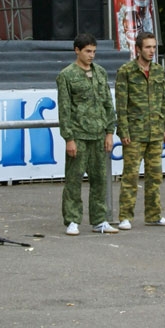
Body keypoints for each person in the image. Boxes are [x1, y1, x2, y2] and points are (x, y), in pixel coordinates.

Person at [56, 33, 119, 236]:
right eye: (87, 51)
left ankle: (99, 219)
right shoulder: (67, 75)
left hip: (99, 135)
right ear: (77, 50)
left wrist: (110, 132)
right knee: (74, 180)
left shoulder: (100, 72)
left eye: (93, 51)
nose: (91, 55)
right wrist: (69, 138)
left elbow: (108, 104)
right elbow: (64, 110)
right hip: (79, 135)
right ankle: (72, 219)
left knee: (100, 180)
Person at [115, 31, 165, 230]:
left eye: (154, 47)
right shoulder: (126, 71)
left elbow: (163, 102)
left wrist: (164, 127)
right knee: (130, 177)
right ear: (138, 49)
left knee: (155, 176)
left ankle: (154, 215)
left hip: (155, 132)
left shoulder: (158, 71)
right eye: (148, 47)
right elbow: (121, 104)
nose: (152, 51)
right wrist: (123, 131)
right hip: (134, 133)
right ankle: (125, 216)